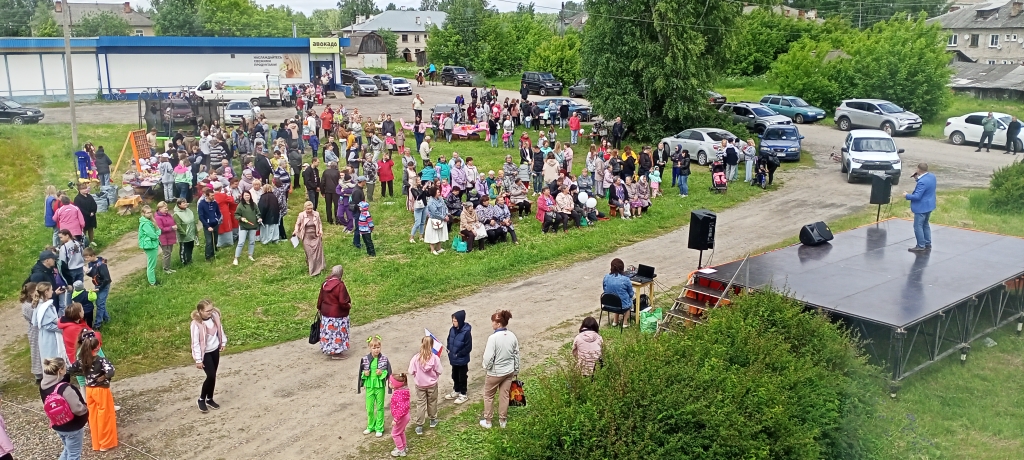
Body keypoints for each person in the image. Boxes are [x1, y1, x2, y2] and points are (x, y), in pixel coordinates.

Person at [69, 331, 118, 451]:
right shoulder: (101, 360)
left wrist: (85, 374)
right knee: (104, 415)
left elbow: (71, 370)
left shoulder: (82, 360)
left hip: (89, 390)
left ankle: (96, 443)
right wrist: (103, 377)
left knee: (93, 416)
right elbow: (111, 371)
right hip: (101, 390)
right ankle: (105, 443)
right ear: (97, 347)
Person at [40, 357, 89, 460]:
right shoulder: (65, 389)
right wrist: (86, 410)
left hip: (58, 424)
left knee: (67, 450)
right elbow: (77, 409)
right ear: (60, 370)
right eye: (64, 368)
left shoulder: (43, 385)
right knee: (74, 455)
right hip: (72, 426)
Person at [480, 309, 519, 429]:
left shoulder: (493, 338)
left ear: (498, 324)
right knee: (504, 395)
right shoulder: (512, 336)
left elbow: (488, 357)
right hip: (508, 372)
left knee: (488, 395)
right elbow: (516, 354)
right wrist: (516, 369)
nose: (492, 324)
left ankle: (488, 421)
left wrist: (487, 367)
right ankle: (503, 420)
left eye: (493, 322)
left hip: (495, 373)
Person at [190, 299, 226, 413]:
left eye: (211, 309)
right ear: (200, 311)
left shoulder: (214, 317)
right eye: (207, 311)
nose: (210, 312)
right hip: (205, 353)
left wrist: (222, 342)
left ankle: (209, 399)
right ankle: (201, 399)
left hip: (214, 350)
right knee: (210, 375)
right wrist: (198, 360)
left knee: (213, 375)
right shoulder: (196, 325)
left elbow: (220, 329)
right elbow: (195, 342)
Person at [358, 336, 391, 437]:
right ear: (369, 348)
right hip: (369, 385)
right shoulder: (365, 359)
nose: (376, 350)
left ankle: (379, 427)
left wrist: (381, 373)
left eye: (378, 347)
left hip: (379, 385)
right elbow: (361, 373)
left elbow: (388, 372)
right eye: (374, 348)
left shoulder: (384, 359)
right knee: (369, 407)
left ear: (380, 347)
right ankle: (370, 426)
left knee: (380, 407)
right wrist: (365, 374)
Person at [409, 336, 442, 435]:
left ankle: (419, 426)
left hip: (420, 385)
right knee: (432, 402)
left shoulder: (416, 358)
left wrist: (417, 375)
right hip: (432, 384)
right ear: (432, 346)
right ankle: (433, 420)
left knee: (421, 404)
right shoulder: (435, 358)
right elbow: (439, 370)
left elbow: (411, 371)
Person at [316, 265, 351, 359]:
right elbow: (343, 301)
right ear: (341, 274)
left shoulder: (325, 284)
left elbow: (321, 298)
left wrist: (319, 307)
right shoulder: (340, 285)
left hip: (326, 313)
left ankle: (328, 349)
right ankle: (337, 353)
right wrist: (348, 306)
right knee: (337, 334)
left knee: (329, 333)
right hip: (337, 315)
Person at [905, 163, 937, 253]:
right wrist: (917, 179)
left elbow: (917, 196)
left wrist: (906, 195)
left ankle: (920, 246)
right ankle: (927, 243)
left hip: (921, 207)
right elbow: (926, 186)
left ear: (918, 170)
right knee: (925, 224)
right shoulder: (932, 177)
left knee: (918, 226)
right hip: (929, 205)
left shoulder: (922, 182)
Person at [445, 310, 472, 404]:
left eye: (455, 321)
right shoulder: (452, 330)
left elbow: (468, 347)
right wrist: (449, 349)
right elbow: (449, 340)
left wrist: (459, 354)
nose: (453, 323)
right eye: (453, 320)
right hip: (453, 358)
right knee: (454, 375)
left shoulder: (466, 332)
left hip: (462, 359)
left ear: (460, 320)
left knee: (462, 376)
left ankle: (463, 394)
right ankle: (456, 390)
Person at [293, 201, 326, 276]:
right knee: (310, 253)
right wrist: (296, 230)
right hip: (306, 237)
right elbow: (297, 224)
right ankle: (312, 270)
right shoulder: (301, 215)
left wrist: (320, 230)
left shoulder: (316, 214)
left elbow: (319, 223)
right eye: (308, 209)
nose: (310, 210)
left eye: (311, 208)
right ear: (305, 208)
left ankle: (319, 267)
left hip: (315, 236)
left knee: (317, 253)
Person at [83, 247, 111, 329]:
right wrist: (87, 272)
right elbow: (93, 274)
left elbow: (107, 279)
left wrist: (100, 288)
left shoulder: (101, 265)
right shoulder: (91, 263)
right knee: (100, 303)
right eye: (85, 257)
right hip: (97, 284)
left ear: (93, 255)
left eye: (87, 257)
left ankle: (97, 324)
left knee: (100, 304)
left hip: (103, 286)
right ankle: (107, 319)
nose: (86, 259)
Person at [21, 282, 43, 383]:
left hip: (39, 329)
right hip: (34, 330)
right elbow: (34, 318)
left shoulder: (34, 302)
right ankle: (38, 375)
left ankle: (44, 370)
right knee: (36, 351)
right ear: (30, 293)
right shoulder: (27, 306)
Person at [603, 258, 634, 327]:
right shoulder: (625, 279)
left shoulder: (606, 277)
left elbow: (605, 289)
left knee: (616, 298)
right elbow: (631, 293)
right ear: (622, 268)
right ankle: (625, 322)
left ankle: (615, 321)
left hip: (608, 304)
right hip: (621, 306)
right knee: (628, 300)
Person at [233, 190, 261, 265]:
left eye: (248, 195)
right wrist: (241, 218)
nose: (247, 197)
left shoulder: (253, 204)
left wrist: (259, 218)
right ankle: (236, 258)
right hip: (243, 226)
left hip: (253, 226)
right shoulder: (240, 205)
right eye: (245, 195)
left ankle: (250, 255)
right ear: (243, 196)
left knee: (252, 241)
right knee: (241, 242)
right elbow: (236, 215)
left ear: (250, 196)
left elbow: (258, 213)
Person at [388, 373, 411, 457]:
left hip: (401, 417)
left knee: (395, 434)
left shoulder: (398, 394)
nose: (389, 384)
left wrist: (395, 419)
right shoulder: (404, 391)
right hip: (406, 416)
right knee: (400, 432)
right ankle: (404, 446)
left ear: (396, 385)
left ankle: (400, 450)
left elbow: (401, 409)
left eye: (391, 383)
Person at [138, 205, 161, 286]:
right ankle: (152, 282)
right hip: (150, 245)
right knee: (151, 265)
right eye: (147, 213)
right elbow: (153, 234)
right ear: (143, 214)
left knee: (152, 264)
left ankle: (153, 280)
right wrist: (157, 234)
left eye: (150, 212)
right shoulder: (145, 224)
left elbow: (158, 230)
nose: (150, 214)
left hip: (152, 244)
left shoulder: (150, 221)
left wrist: (157, 232)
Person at [197, 188, 222, 261]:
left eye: (213, 195)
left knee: (215, 240)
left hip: (215, 224)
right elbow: (201, 216)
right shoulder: (201, 204)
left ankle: (213, 254)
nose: (213, 197)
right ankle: (208, 257)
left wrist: (217, 219)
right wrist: (207, 226)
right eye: (211, 196)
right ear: (207, 196)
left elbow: (219, 213)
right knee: (209, 241)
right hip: (207, 226)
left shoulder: (215, 203)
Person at [154, 201, 178, 274]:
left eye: (167, 208)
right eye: (165, 208)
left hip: (170, 237)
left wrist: (174, 226)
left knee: (169, 253)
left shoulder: (168, 215)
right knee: (166, 253)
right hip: (164, 239)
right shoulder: (158, 218)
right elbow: (160, 229)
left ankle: (168, 267)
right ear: (160, 208)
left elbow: (172, 222)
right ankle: (165, 269)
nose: (167, 209)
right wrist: (171, 228)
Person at [424, 186, 449, 255]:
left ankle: (439, 248)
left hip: (442, 219)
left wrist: (446, 214)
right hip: (434, 220)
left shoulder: (440, 198)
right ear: (434, 193)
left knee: (440, 233)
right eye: (438, 192)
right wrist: (443, 217)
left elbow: (445, 206)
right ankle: (432, 249)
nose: (439, 193)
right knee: (433, 234)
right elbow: (435, 213)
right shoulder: (431, 202)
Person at [172, 198, 197, 266]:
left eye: (185, 202)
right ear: (179, 205)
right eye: (183, 203)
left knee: (190, 247)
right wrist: (184, 233)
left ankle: (189, 259)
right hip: (184, 235)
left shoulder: (188, 210)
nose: (185, 204)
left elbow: (193, 221)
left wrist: (195, 231)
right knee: (184, 248)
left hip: (191, 233)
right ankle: (184, 262)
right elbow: (178, 226)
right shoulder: (176, 214)